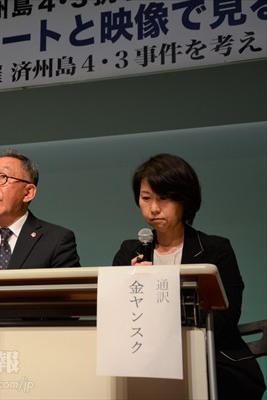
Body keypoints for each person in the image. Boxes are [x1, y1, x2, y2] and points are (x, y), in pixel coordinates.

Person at [112, 153, 265, 400]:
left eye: (163, 198)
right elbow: (117, 319)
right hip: (147, 361)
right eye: (146, 198)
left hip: (211, 359)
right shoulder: (130, 252)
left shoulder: (216, 249)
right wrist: (131, 284)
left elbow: (226, 316)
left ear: (185, 200)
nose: (153, 208)